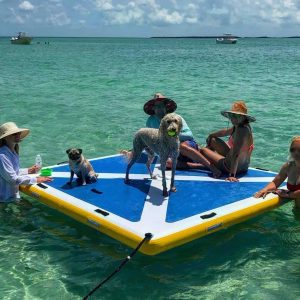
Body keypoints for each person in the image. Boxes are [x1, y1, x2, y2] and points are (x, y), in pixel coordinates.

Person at [122, 93, 221, 177]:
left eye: (161, 106)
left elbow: (189, 135)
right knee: (166, 162)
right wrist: (134, 150)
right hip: (170, 149)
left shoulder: (176, 118)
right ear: (153, 108)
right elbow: (149, 139)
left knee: (181, 146)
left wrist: (171, 135)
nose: (159, 109)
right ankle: (200, 166)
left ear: (166, 107)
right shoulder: (150, 121)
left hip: (186, 145)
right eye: (156, 106)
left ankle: (210, 166)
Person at [201, 101, 255, 182]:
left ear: (243, 117)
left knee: (202, 150)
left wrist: (232, 175)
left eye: (236, 116)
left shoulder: (241, 131)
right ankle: (211, 158)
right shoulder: (244, 126)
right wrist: (211, 135)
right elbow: (225, 132)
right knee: (213, 140)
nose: (233, 118)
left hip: (229, 167)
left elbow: (236, 153)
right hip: (244, 167)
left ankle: (208, 164)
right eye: (232, 115)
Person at [0, 122, 52, 202]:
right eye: (14, 134)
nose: (17, 135)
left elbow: (12, 172)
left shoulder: (12, 151)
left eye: (18, 133)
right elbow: (13, 179)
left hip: (12, 196)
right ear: (5, 137)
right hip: (4, 199)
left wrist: (28, 170)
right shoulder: (2, 155)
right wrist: (36, 180)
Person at [254, 136, 300, 209]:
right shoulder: (288, 166)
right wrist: (265, 189)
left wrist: (288, 194)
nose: (296, 152)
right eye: (293, 149)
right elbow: (275, 182)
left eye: (299, 150)